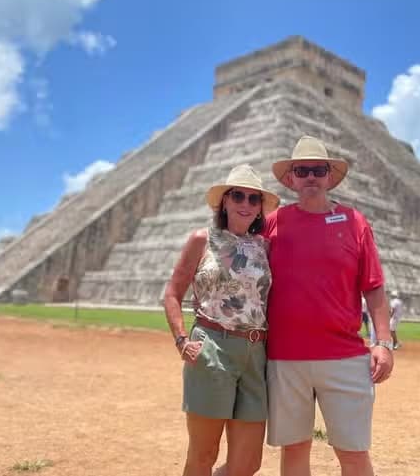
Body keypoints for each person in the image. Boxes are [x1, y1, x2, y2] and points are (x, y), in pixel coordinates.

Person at [265, 135, 394, 476]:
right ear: (291, 178)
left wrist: (384, 342)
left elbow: (375, 288)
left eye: (318, 170)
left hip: (344, 356)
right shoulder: (272, 223)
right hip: (285, 357)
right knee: (294, 450)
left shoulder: (355, 222)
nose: (310, 176)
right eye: (302, 170)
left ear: (328, 176)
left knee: (352, 452)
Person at [162, 164, 279, 476]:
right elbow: (172, 293)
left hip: (256, 354)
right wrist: (181, 339)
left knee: (248, 463)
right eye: (238, 195)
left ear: (259, 210)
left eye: (254, 199)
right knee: (203, 455)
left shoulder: (264, 246)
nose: (245, 203)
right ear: (224, 201)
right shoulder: (202, 240)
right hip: (212, 346)